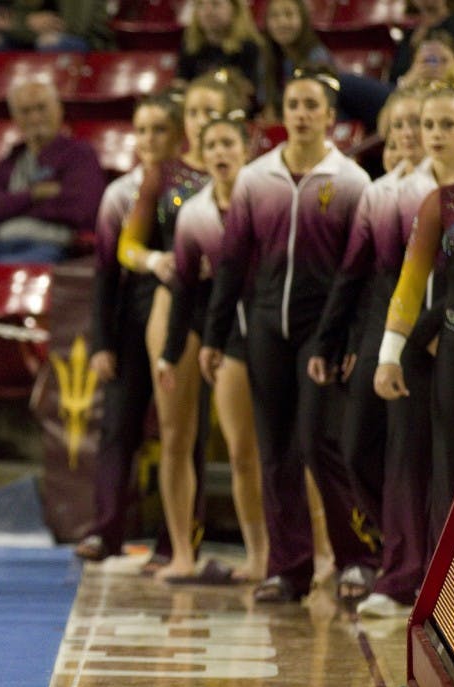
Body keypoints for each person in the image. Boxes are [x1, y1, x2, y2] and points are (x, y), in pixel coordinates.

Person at [199, 66, 379, 604]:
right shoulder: (257, 179)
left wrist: (346, 340)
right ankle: (289, 568)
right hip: (265, 331)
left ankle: (356, 559)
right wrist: (213, 335)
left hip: (321, 335)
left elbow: (362, 275)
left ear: (330, 117)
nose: (301, 114)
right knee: (275, 450)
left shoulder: (352, 182)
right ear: (283, 116)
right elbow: (231, 264)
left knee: (320, 444)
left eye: (311, 106)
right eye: (293, 106)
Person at [111, 71, 245, 580]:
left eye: (212, 113)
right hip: (177, 301)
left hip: (232, 304)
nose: (201, 122)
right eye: (193, 113)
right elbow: (128, 244)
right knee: (175, 433)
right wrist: (154, 262)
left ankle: (268, 552)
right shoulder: (163, 174)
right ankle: (182, 550)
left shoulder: (244, 173)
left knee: (244, 437)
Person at [308, 87, 436, 618]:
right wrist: (330, 340)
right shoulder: (381, 192)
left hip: (429, 333)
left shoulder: (444, 188)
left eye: (416, 124)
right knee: (355, 442)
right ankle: (396, 544)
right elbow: (354, 273)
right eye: (398, 125)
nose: (407, 133)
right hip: (378, 330)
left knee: (413, 453)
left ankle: (411, 567)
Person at [156, 114, 269, 583]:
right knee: (241, 451)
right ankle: (245, 555)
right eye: (212, 146)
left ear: (247, 148)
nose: (221, 153)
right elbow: (183, 288)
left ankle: (308, 555)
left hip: (273, 326)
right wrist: (169, 351)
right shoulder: (195, 212)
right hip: (225, 335)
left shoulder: (269, 197)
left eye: (229, 143)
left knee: (285, 448)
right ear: (201, 156)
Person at [75, 93, 184, 562]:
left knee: (181, 430)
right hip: (127, 319)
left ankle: (175, 540)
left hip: (180, 314)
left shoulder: (191, 189)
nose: (149, 139)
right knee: (118, 428)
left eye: (159, 129)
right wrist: (101, 341)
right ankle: (106, 531)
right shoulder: (119, 193)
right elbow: (103, 273)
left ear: (178, 134)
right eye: (141, 130)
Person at [375, 73, 454, 571]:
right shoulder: (439, 203)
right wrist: (390, 356)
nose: (435, 133)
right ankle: (450, 595)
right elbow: (408, 287)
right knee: (449, 471)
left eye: (449, 124)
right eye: (429, 123)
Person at [0, 77, 105, 264]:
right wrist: (34, 194)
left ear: (59, 110)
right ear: (15, 118)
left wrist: (12, 206)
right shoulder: (11, 159)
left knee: (0, 271)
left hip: (51, 248)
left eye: (41, 108)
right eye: (25, 111)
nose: (34, 118)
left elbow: (81, 210)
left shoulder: (79, 155)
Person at [337, 0, 454, 133]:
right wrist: (409, 81)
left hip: (448, 91)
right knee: (338, 89)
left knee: (344, 82)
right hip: (404, 91)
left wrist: (451, 74)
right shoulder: (410, 33)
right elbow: (393, 76)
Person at [175, 0, 268, 115]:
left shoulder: (250, 46)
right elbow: (180, 84)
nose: (207, 11)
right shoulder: (189, 44)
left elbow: (249, 93)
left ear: (235, 8)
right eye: (200, 4)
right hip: (199, 111)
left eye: (216, 4)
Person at [259, 0, 333, 122]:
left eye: (289, 14)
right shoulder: (266, 56)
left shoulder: (317, 57)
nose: (282, 23)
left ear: (303, 19)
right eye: (274, 16)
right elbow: (267, 106)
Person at [0, 0, 114, 52]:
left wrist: (22, 25)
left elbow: (74, 28)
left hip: (88, 46)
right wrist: (26, 23)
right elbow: (9, 18)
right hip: (30, 39)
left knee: (51, 42)